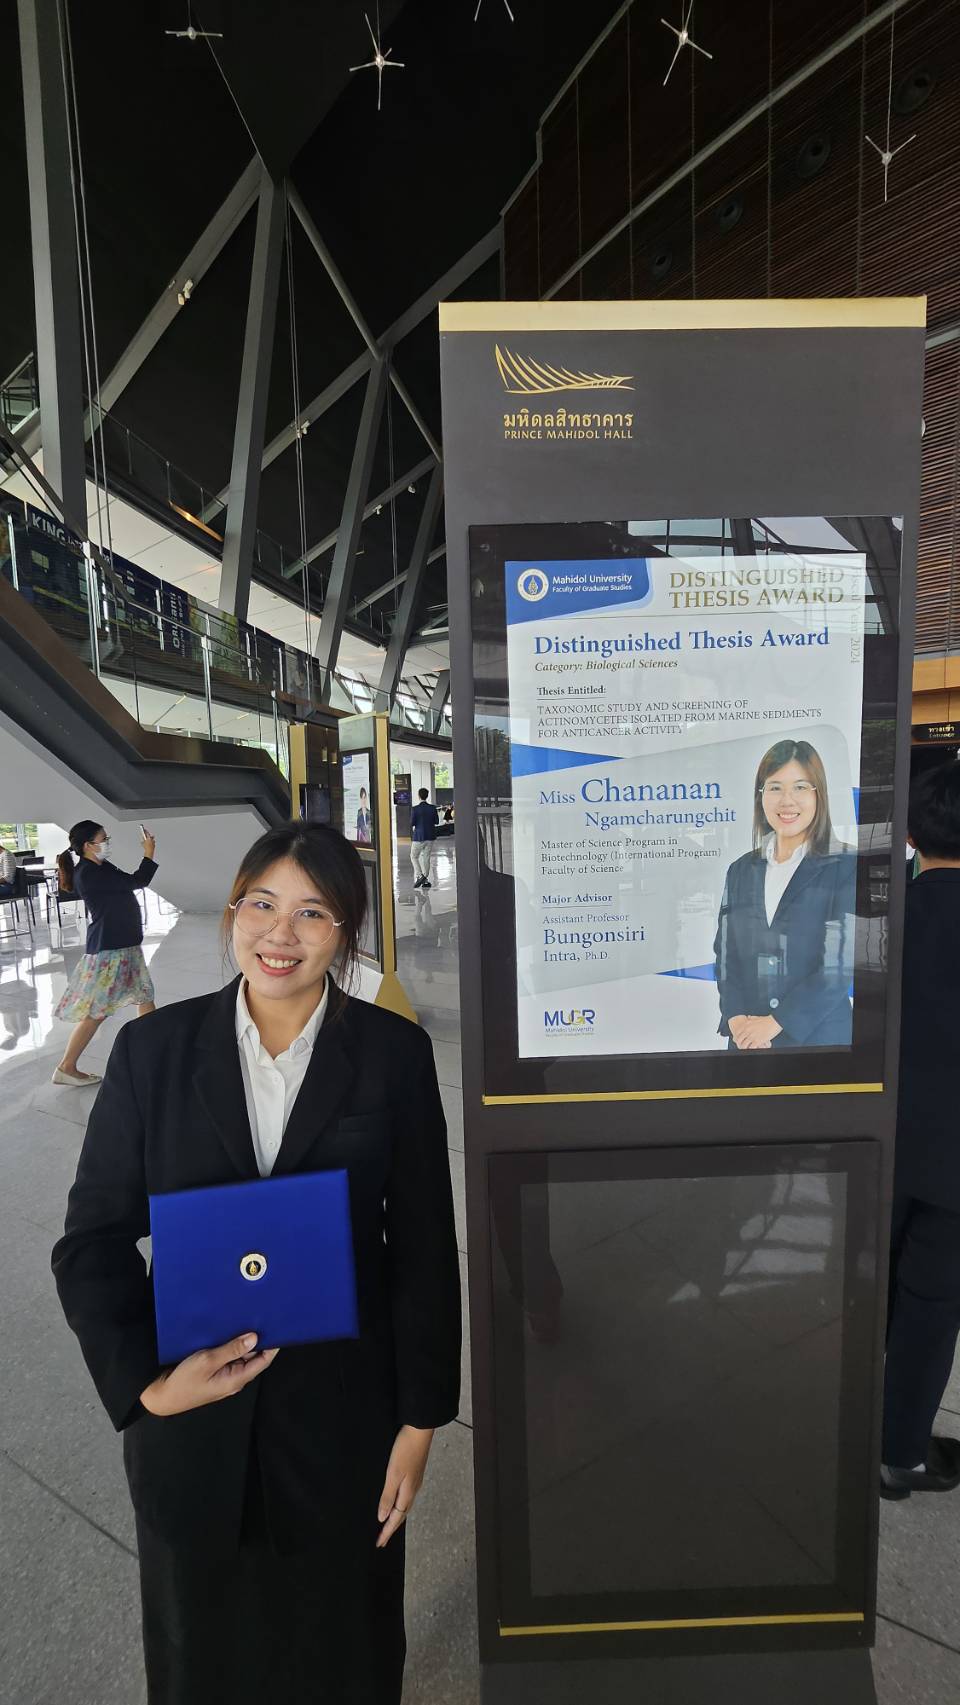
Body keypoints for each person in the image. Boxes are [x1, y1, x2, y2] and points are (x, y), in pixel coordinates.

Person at [52, 823, 461, 1704]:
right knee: (204, 1657)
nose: (281, 933)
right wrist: (147, 1388)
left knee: (343, 1651)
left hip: (344, 1419)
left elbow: (424, 1245)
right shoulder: (155, 1053)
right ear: (233, 912)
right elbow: (91, 1241)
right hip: (192, 1422)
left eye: (312, 912)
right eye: (262, 904)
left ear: (345, 930)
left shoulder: (392, 1055)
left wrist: (421, 1421)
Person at [881, 760, 960, 1499]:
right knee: (931, 1304)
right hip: (953, 1165)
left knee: (867, 1283)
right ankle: (898, 1452)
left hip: (877, 1141)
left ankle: (840, 1413)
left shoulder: (884, 917)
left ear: (910, 835)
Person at [714, 738, 856, 1049]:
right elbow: (726, 955)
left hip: (819, 1043)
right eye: (775, 788)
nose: (787, 800)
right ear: (761, 796)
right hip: (748, 1041)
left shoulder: (848, 865)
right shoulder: (740, 870)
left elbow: (841, 964)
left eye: (800, 787)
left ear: (819, 794)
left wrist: (776, 1023)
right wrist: (736, 1018)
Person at [52, 821, 158, 1086]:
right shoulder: (89, 873)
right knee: (98, 1012)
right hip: (111, 950)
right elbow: (137, 881)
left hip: (125, 945)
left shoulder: (100, 867)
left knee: (144, 995)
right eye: (104, 839)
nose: (107, 842)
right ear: (89, 845)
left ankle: (153, 1050)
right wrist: (148, 853)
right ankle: (66, 1067)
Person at [410, 787, 439, 890]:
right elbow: (436, 822)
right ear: (427, 796)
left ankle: (420, 876)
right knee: (426, 857)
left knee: (413, 856)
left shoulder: (415, 809)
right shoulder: (432, 808)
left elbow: (412, 823)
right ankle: (425, 879)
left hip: (418, 836)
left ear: (419, 796)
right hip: (430, 836)